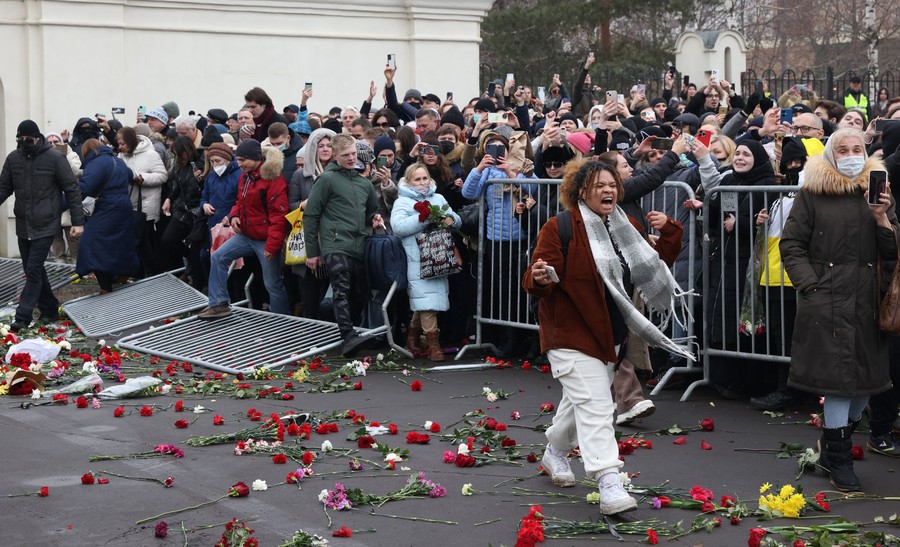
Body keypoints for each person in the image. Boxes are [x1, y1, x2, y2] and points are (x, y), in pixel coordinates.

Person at [522, 160, 692, 515]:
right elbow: (533, 279)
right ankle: (608, 479)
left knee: (579, 403)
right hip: (567, 334)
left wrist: (671, 231)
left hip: (610, 336)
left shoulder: (626, 226)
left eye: (612, 184)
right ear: (580, 191)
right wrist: (540, 276)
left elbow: (655, 264)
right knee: (599, 406)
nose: (609, 190)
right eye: (599, 185)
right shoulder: (560, 227)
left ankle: (554, 452)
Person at [780, 128, 898, 492]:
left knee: (866, 383)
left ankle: (831, 452)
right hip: (826, 300)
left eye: (857, 148)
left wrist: (882, 217)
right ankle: (840, 457)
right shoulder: (813, 193)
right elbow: (791, 244)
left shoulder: (878, 192)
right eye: (843, 148)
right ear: (831, 154)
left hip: (867, 300)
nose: (850, 154)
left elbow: (893, 253)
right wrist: (811, 287)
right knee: (838, 385)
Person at [304, 134, 384, 356]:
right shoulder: (327, 180)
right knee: (341, 287)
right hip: (334, 243)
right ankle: (347, 335)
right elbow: (311, 216)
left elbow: (370, 211)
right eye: (345, 155)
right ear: (335, 155)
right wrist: (312, 252)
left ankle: (351, 333)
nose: (351, 158)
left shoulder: (364, 183)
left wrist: (375, 218)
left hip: (358, 244)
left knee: (358, 294)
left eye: (353, 154)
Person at [0, 120, 84, 331]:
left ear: (38, 138)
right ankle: (49, 310)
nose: (24, 143)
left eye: (28, 139)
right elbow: (4, 188)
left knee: (34, 270)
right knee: (33, 270)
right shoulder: (13, 159)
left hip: (46, 223)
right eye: (20, 140)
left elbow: (71, 190)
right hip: (23, 224)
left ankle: (22, 317)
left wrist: (78, 222)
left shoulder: (55, 158)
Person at [199, 139, 289, 319]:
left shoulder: (273, 179)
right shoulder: (245, 176)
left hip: (265, 239)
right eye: (237, 160)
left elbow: (278, 216)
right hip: (246, 235)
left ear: (255, 158)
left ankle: (283, 320)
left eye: (242, 160)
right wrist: (234, 215)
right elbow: (240, 201)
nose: (238, 164)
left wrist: (272, 246)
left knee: (272, 283)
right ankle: (219, 303)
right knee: (218, 257)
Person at [391, 164, 461, 361]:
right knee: (428, 302)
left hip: (438, 256)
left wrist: (451, 219)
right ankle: (434, 346)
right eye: (417, 179)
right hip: (417, 259)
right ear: (408, 181)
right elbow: (398, 227)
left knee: (426, 301)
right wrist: (423, 219)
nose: (422, 183)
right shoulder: (403, 201)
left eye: (424, 178)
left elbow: (455, 217)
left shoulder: (437, 198)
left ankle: (411, 339)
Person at [74, 139, 140, 293]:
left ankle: (105, 286)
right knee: (119, 245)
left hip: (108, 207)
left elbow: (84, 187)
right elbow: (131, 175)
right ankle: (122, 274)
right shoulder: (117, 161)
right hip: (123, 206)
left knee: (90, 242)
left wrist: (60, 203)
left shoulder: (97, 163)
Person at [118, 126, 168, 277]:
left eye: (122, 143)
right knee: (134, 243)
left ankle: (150, 275)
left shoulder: (150, 154)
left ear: (131, 141)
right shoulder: (122, 156)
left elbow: (162, 176)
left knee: (144, 242)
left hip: (146, 206)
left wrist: (142, 178)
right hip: (128, 205)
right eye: (118, 144)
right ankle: (137, 275)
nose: (120, 147)